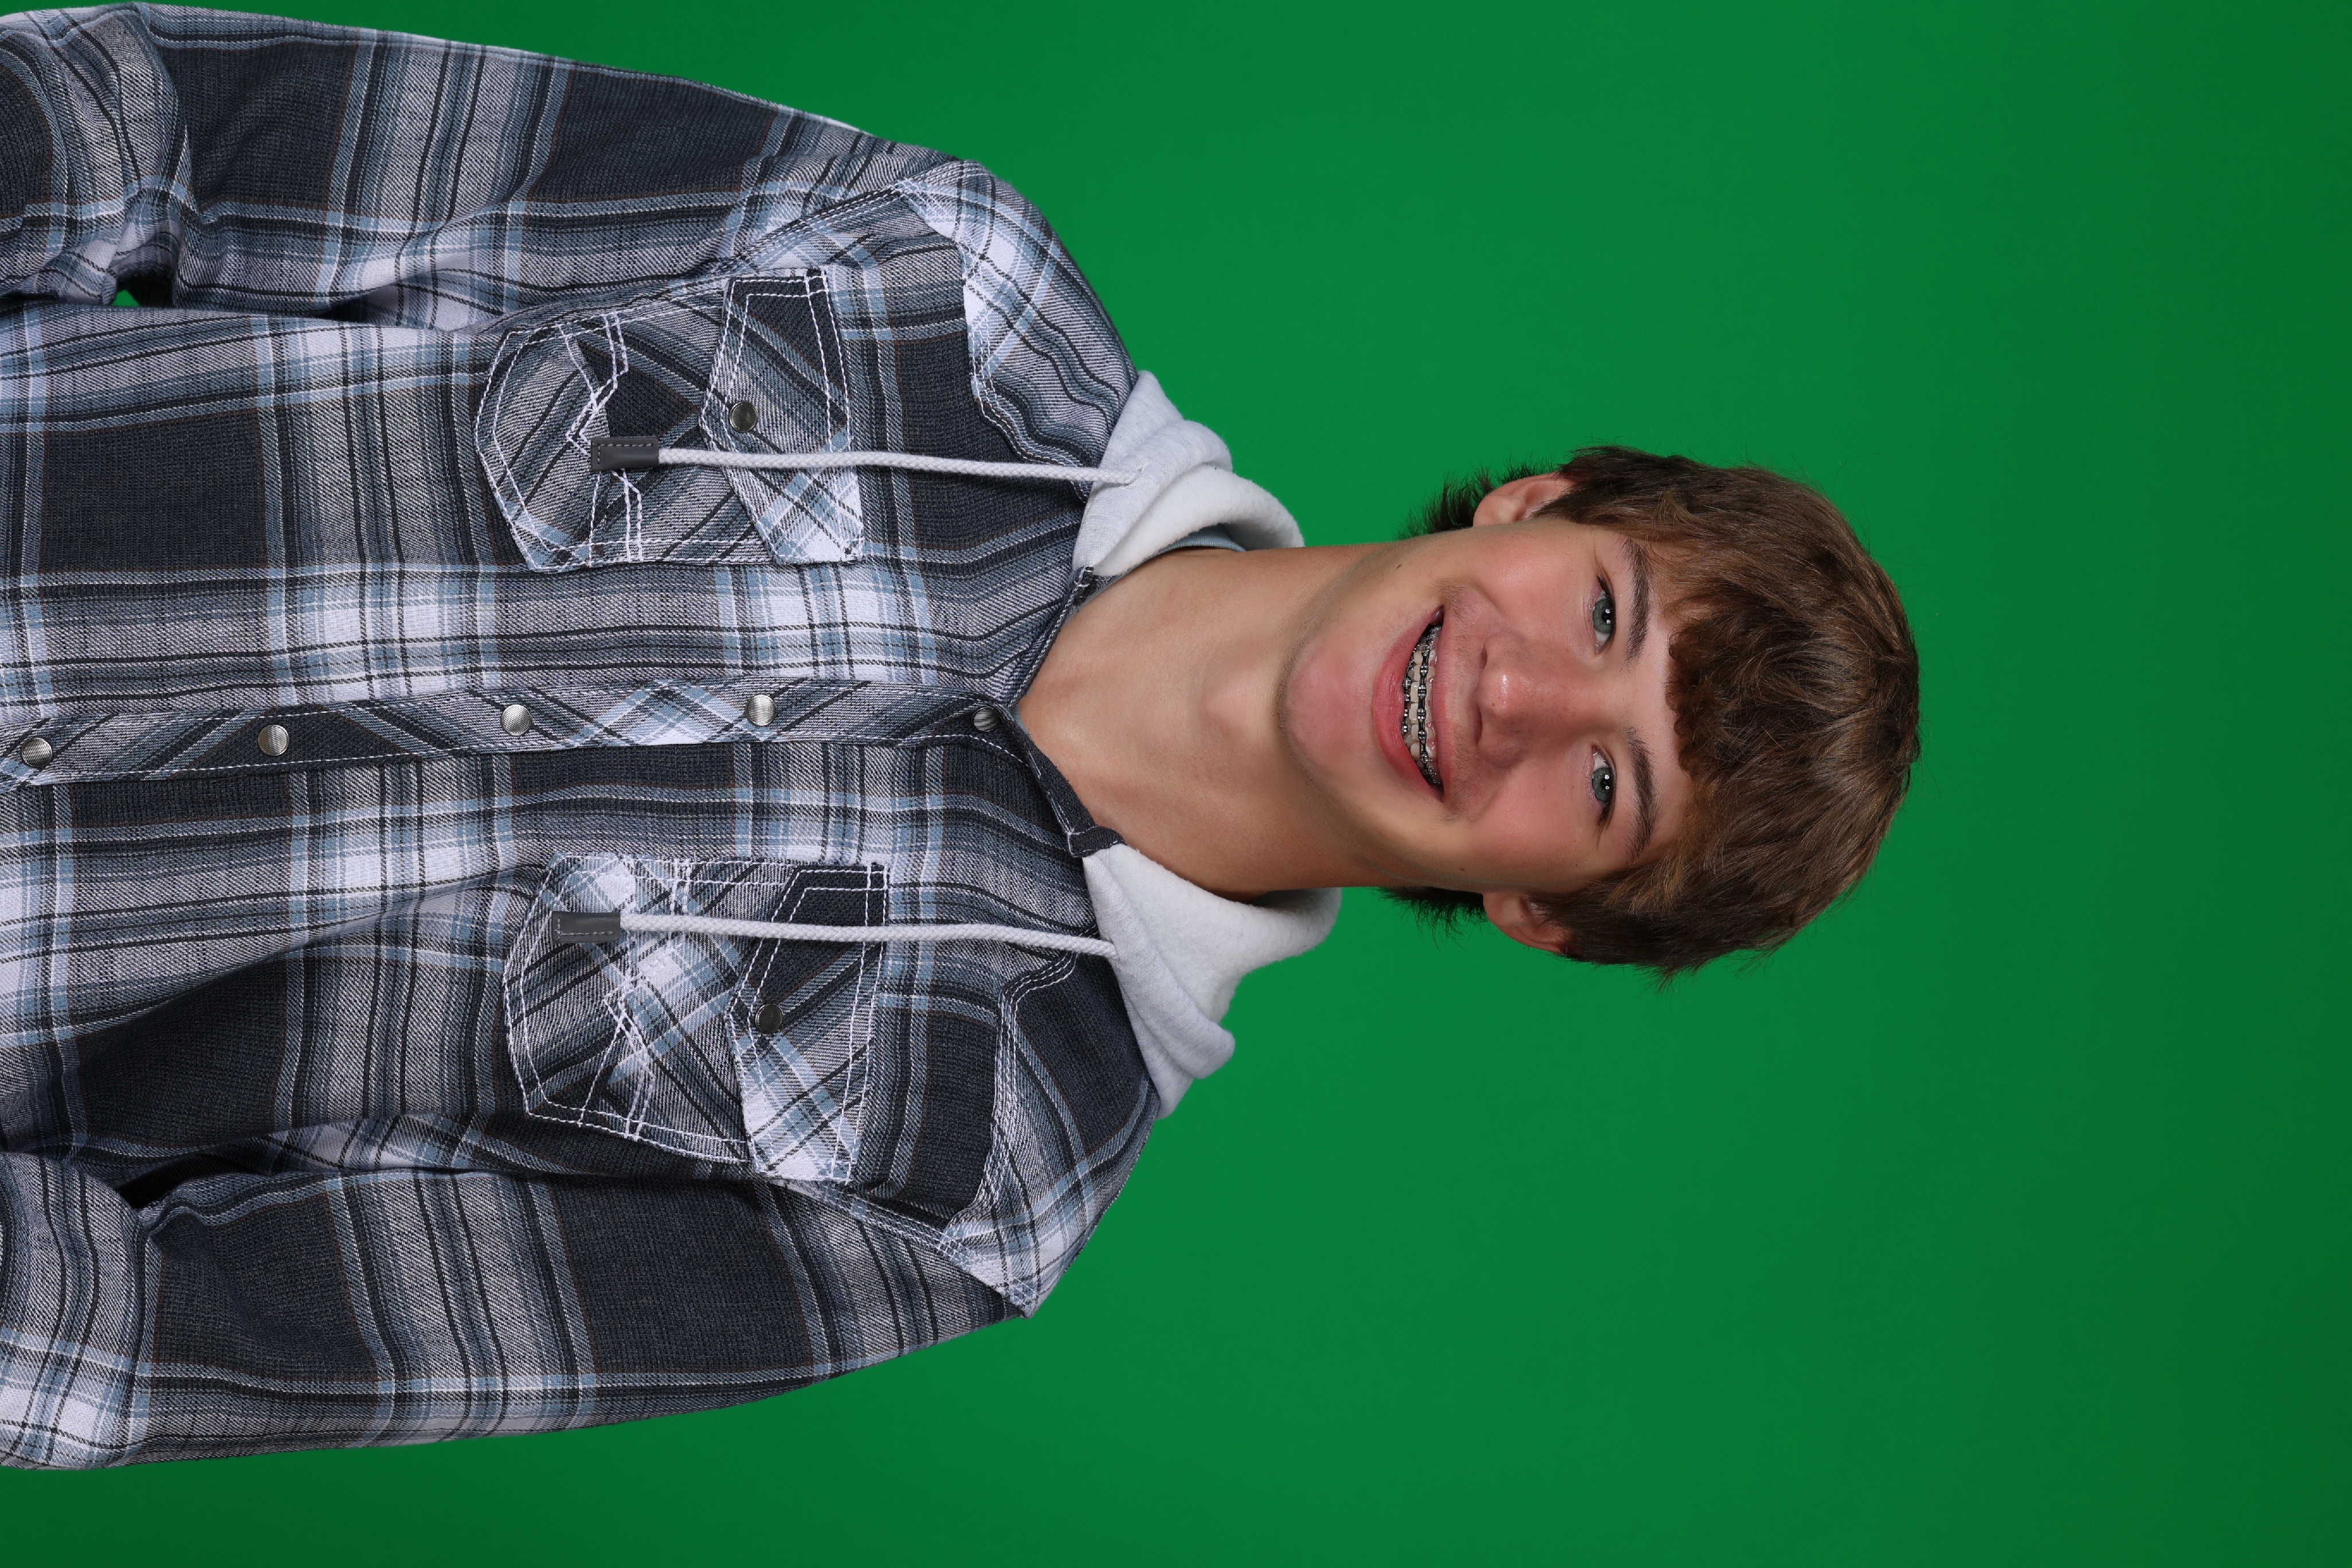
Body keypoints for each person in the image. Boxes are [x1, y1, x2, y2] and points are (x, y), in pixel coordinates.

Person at [0, 6, 1918, 1468]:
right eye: (1605, 614)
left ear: (1544, 915)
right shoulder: (944, 281)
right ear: (1539, 502)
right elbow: (182, 124)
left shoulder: (987, 1181)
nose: (1520, 697)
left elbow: (167, 1337)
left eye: (1606, 782)